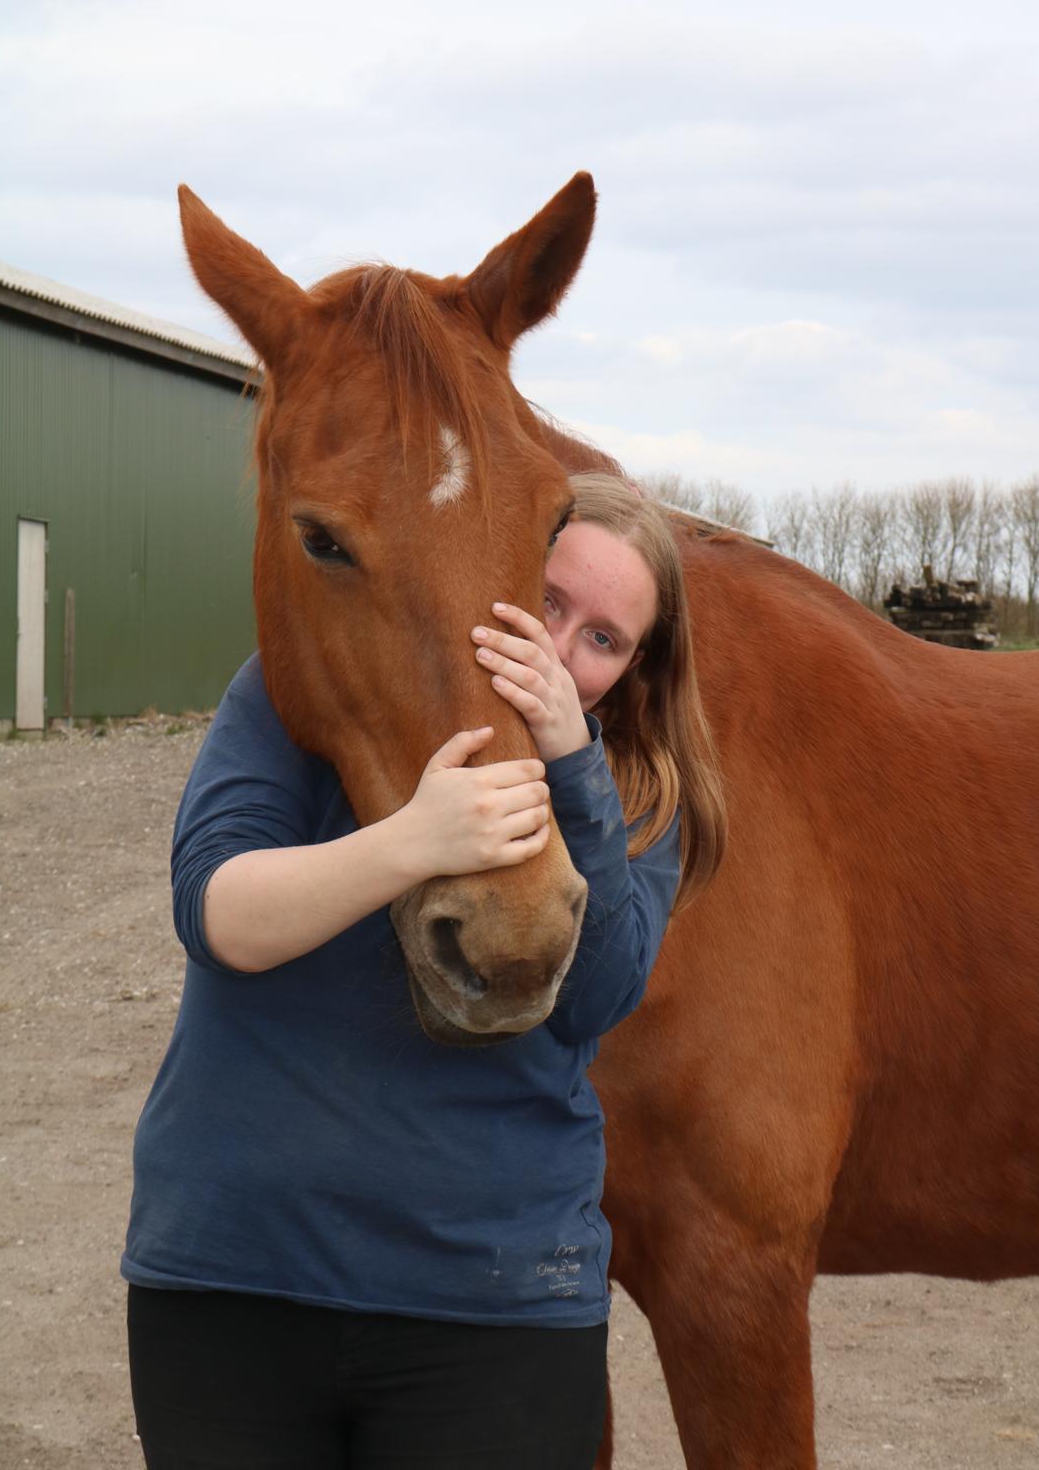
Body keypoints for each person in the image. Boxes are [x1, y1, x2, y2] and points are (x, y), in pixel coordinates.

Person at [122, 471, 724, 1470]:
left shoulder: (633, 787)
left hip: (492, 1306)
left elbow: (594, 997)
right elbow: (217, 913)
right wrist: (412, 841)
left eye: (602, 639)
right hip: (238, 1278)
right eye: (545, 601)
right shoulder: (307, 682)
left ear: (635, 669)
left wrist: (570, 765)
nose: (556, 653)